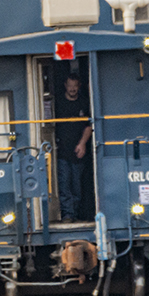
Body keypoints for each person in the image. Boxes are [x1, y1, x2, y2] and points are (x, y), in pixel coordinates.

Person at [55, 74, 92, 223]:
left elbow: (89, 126)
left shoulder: (84, 103)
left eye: (75, 86)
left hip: (78, 152)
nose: (72, 89)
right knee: (64, 183)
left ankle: (75, 213)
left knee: (77, 185)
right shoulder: (58, 103)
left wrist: (82, 143)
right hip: (62, 151)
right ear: (65, 85)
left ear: (79, 86)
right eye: (70, 85)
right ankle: (67, 215)